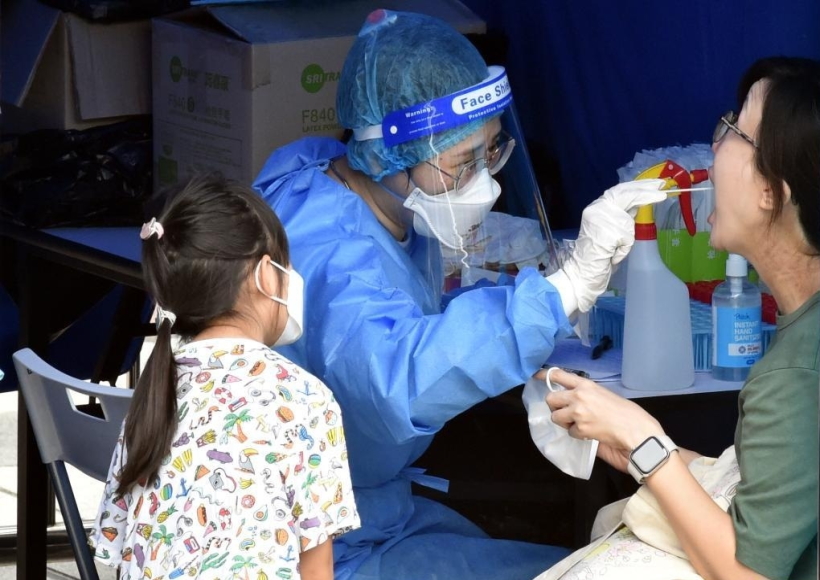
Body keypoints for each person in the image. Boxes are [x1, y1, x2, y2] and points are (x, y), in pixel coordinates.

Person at [254, 9, 667, 580]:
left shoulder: (367, 198)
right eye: (460, 164)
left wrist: (525, 314)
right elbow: (396, 379)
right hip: (318, 552)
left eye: (492, 152)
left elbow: (403, 310)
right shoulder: (329, 248)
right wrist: (557, 294)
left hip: (372, 513)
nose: (484, 183)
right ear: (386, 154)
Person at [545, 56, 820, 580]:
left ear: (772, 190)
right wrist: (641, 450)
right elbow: (781, 492)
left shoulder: (796, 376)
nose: (714, 148)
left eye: (734, 130)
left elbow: (745, 574)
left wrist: (644, 436)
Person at [90, 174, 360, 580]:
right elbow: (316, 567)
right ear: (267, 275)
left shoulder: (155, 395)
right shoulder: (305, 398)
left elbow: (113, 550)